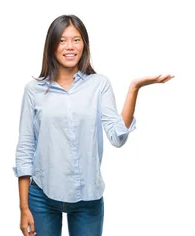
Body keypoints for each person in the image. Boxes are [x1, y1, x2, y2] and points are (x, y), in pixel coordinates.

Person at [14, 14, 173, 236]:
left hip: (88, 197)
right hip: (42, 197)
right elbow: (25, 149)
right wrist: (23, 208)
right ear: (51, 45)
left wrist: (134, 88)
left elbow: (118, 137)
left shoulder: (99, 85)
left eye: (76, 40)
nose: (70, 47)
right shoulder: (34, 90)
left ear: (84, 44)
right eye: (62, 40)